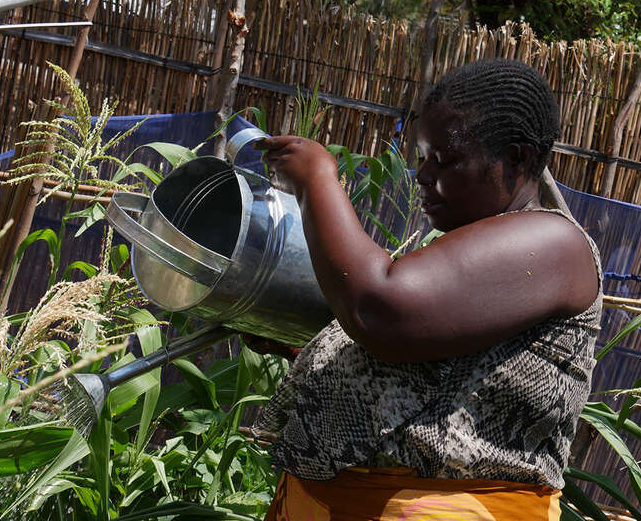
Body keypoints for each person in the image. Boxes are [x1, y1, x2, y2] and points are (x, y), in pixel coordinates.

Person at [250, 58, 602, 520]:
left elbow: (380, 310)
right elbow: (448, 378)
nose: (422, 174)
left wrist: (317, 178)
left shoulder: (555, 244)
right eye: (422, 156)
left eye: (445, 159)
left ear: (516, 159)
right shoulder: (474, 249)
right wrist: (315, 353)